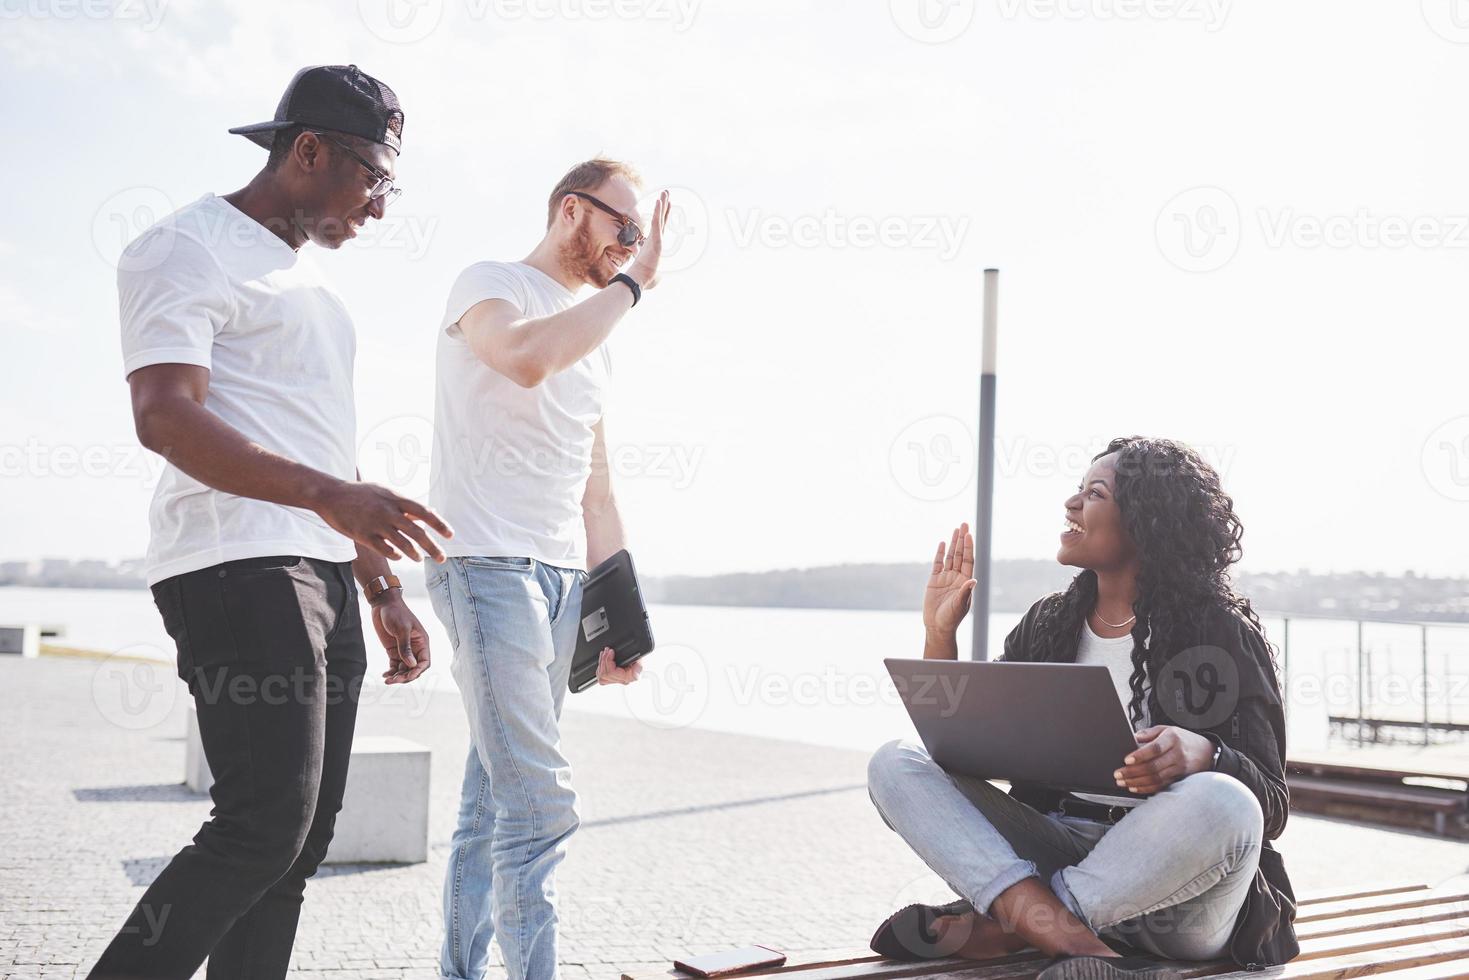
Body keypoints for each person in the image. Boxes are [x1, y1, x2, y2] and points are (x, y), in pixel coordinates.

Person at [91, 65, 450, 980]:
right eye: (374, 177)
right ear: (307, 150)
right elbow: (165, 417)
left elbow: (324, 450)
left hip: (321, 571)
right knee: (259, 830)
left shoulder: (314, 291)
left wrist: (378, 581)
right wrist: (331, 501)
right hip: (236, 564)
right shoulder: (184, 247)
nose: (378, 207)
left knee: (296, 849)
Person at [866, 437, 1297, 980]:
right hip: (1057, 849)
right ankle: (1069, 938)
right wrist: (938, 634)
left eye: (1094, 494)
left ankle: (1011, 927)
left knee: (1224, 801)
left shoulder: (1219, 633)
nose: (1071, 505)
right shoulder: (1051, 624)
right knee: (894, 760)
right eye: (1077, 491)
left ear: (1147, 520)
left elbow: (1271, 808)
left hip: (1180, 898)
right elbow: (955, 752)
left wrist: (1204, 754)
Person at [426, 159, 671, 980]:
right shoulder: (489, 284)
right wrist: (634, 285)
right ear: (573, 211)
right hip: (484, 569)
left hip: (562, 585)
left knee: (492, 804)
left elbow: (595, 495)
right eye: (623, 228)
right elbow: (522, 358)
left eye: (637, 237)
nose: (630, 246)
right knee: (540, 808)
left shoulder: (592, 342)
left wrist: (620, 621)